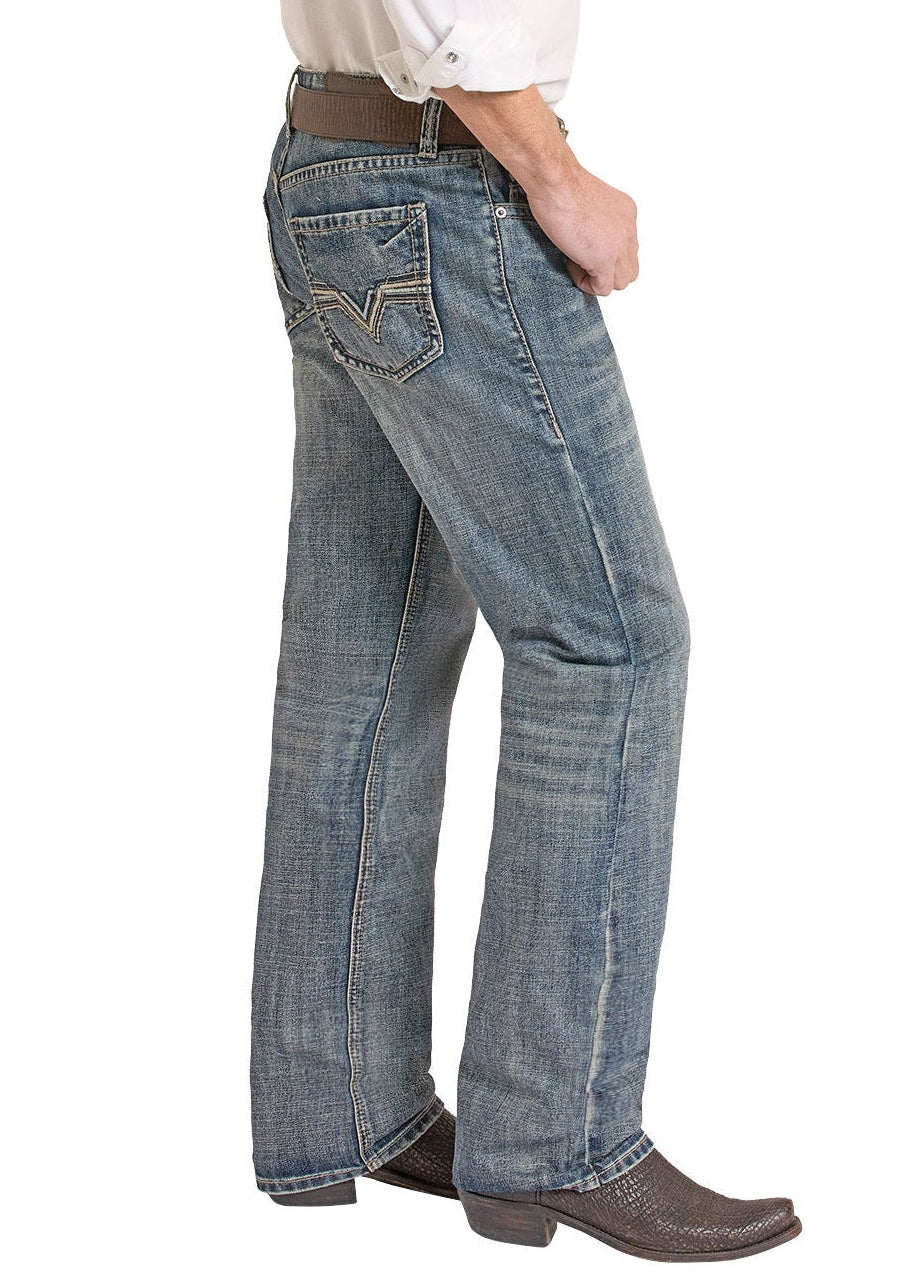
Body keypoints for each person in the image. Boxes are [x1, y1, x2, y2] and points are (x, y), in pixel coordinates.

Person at [250, 0, 801, 1261]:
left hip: (331, 162)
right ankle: (558, 1135)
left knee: (364, 657)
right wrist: (549, 167)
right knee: (607, 646)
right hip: (451, 179)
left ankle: (340, 1101)